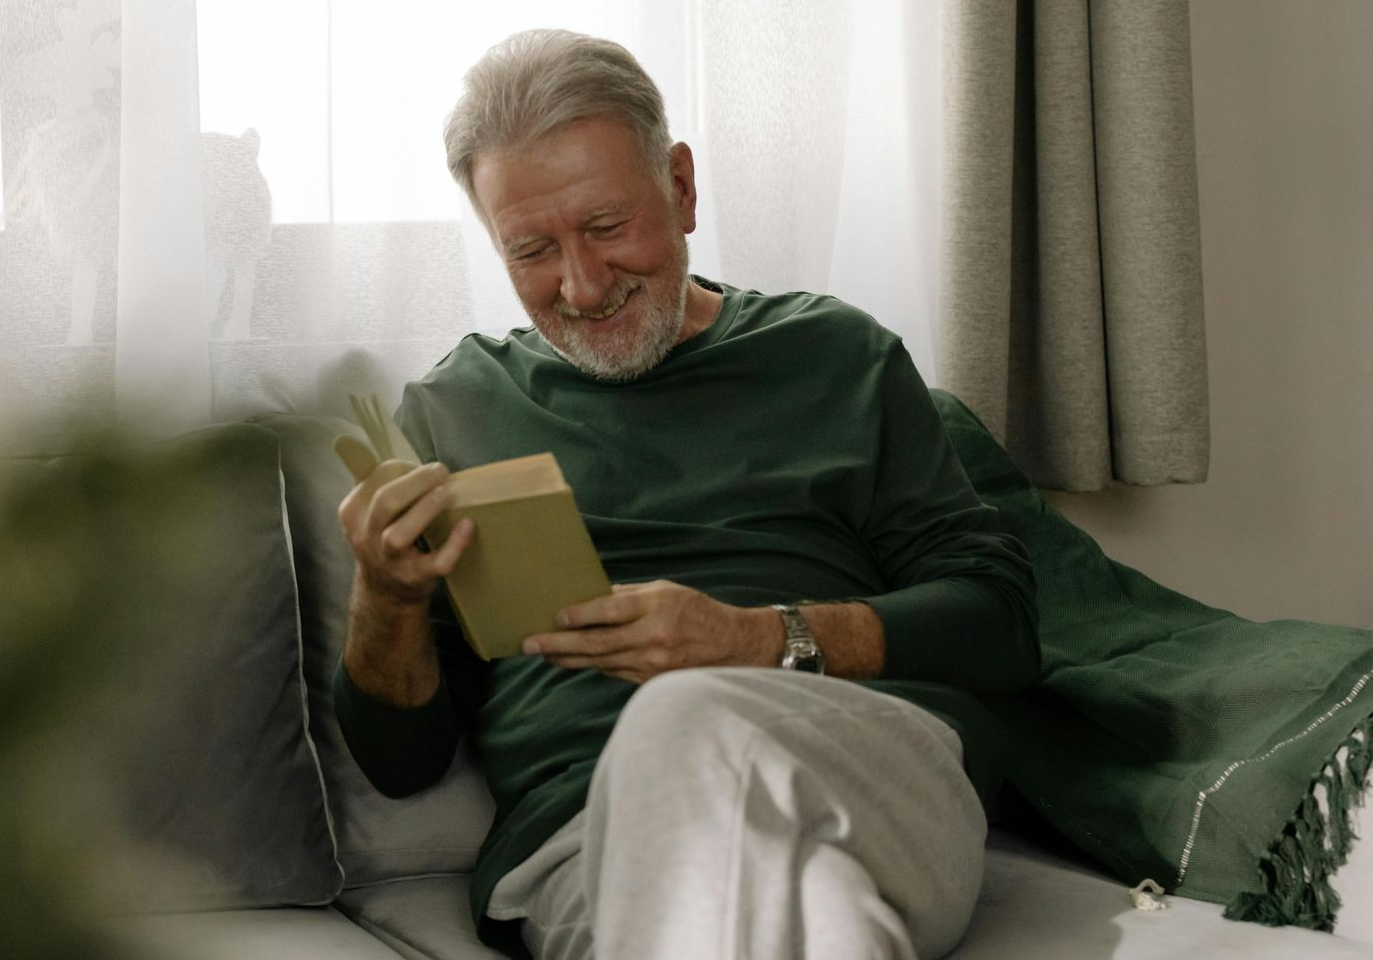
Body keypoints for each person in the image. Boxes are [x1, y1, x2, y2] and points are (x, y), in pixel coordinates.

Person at [332, 28, 1039, 960]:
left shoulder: (836, 357)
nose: (581, 286)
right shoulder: (455, 411)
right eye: (533, 250)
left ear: (681, 186)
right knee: (812, 922)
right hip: (592, 840)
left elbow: (1001, 630)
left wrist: (750, 641)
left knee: (687, 714)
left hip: (858, 782)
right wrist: (384, 597)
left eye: (607, 227)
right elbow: (401, 762)